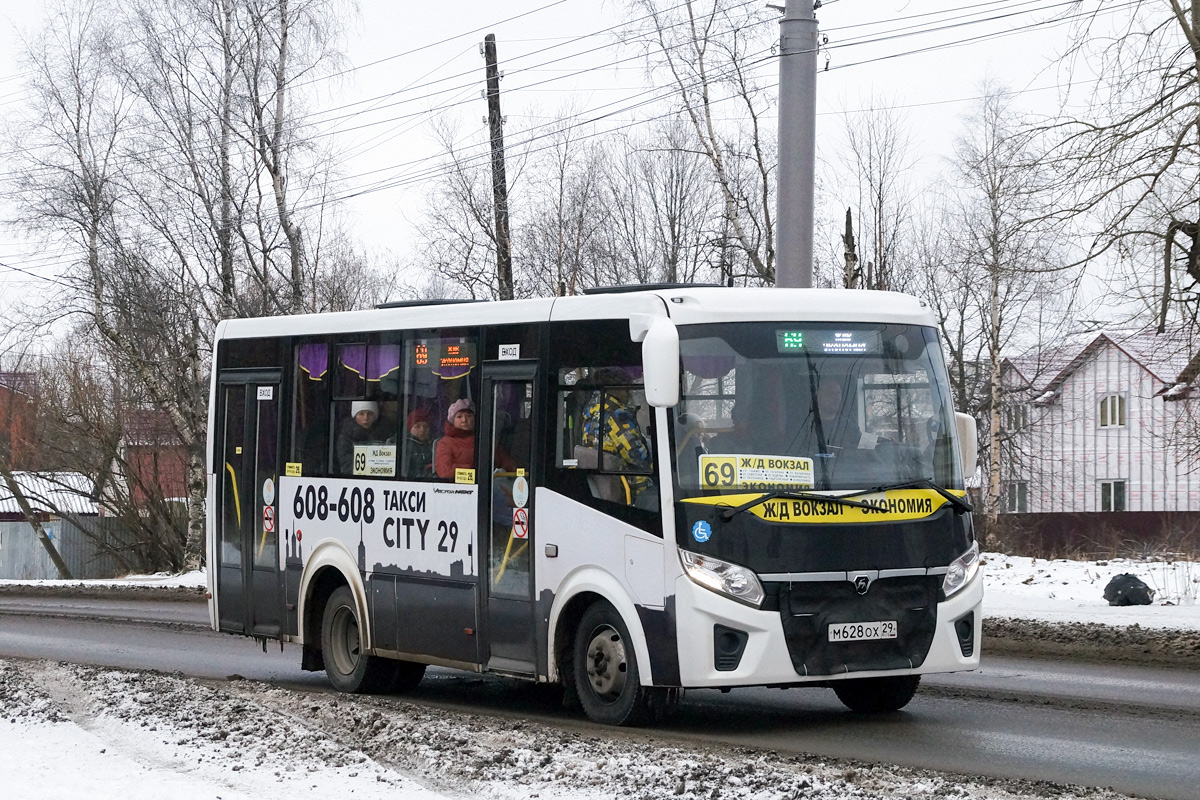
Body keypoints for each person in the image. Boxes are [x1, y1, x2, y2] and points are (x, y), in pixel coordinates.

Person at [581, 369, 654, 504]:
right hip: (631, 488)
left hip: (607, 481)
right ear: (615, 389)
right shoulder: (617, 414)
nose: (629, 394)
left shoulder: (591, 410)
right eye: (626, 390)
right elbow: (638, 457)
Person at [337, 400, 383, 475]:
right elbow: (347, 465)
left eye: (370, 414)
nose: (366, 418)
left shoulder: (385, 435)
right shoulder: (345, 438)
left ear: (375, 417)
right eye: (361, 414)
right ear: (355, 417)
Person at [402, 407, 435, 478]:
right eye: (417, 427)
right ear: (410, 428)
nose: (422, 430)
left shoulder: (434, 445)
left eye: (425, 426)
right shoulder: (404, 446)